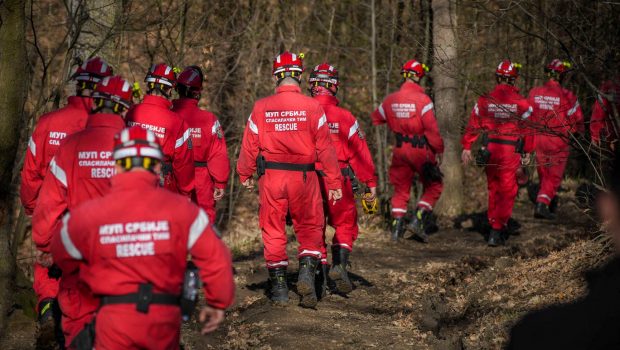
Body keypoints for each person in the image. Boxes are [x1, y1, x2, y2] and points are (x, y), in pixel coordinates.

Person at [50, 126, 235, 350]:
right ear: (157, 166)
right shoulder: (182, 210)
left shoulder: (88, 215)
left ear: (116, 166)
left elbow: (61, 253)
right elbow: (216, 258)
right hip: (163, 320)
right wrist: (217, 302)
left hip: (112, 318)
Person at [236, 52, 342, 308]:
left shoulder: (261, 107)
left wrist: (245, 173)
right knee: (310, 227)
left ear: (276, 76)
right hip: (304, 178)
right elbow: (325, 149)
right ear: (299, 75)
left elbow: (249, 144)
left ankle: (280, 288)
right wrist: (335, 182)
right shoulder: (312, 106)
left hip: (271, 178)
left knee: (272, 229)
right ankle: (306, 272)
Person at [32, 76, 132, 347]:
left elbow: (49, 202)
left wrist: (44, 241)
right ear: (124, 109)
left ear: (95, 103)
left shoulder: (70, 147)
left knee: (77, 324)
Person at [19, 57, 112, 333]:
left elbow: (31, 173)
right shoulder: (109, 131)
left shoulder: (48, 123)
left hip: (53, 215)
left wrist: (34, 209)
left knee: (49, 271)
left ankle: (49, 309)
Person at [507, 151, 620, 350]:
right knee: (554, 174)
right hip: (551, 143)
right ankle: (542, 203)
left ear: (607, 208)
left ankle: (523, 212)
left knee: (541, 175)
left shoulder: (538, 334)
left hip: (536, 142)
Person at [308, 63, 377, 295]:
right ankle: (339, 264)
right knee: (345, 223)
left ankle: (322, 272)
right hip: (340, 177)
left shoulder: (303, 114)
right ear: (334, 87)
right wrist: (371, 183)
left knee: (314, 226)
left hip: (308, 179)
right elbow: (361, 153)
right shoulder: (346, 117)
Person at [461, 60, 533, 246]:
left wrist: (467, 146)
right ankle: (497, 228)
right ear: (513, 80)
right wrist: (527, 151)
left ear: (497, 77)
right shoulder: (521, 102)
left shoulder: (485, 100)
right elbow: (529, 129)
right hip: (510, 151)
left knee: (493, 187)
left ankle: (494, 223)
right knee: (508, 191)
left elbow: (474, 123)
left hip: (490, 149)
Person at [371, 59, 444, 242]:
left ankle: (396, 230)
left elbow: (376, 118)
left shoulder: (391, 100)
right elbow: (431, 130)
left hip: (400, 150)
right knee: (435, 186)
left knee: (401, 189)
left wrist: (396, 122)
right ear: (419, 77)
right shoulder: (423, 100)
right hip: (421, 151)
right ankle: (418, 220)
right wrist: (438, 150)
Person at [126, 63, 194, 197]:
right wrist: (185, 193)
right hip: (160, 190)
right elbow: (184, 165)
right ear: (169, 90)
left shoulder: (129, 112)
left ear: (148, 86)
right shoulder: (177, 122)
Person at [172, 66, 230, 223]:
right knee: (203, 223)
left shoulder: (168, 116)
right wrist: (220, 182)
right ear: (198, 92)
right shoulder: (209, 120)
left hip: (173, 176)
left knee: (173, 222)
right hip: (201, 179)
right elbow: (218, 154)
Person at [527, 59, 584, 219]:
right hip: (557, 141)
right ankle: (542, 203)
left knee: (544, 173)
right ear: (562, 76)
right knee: (554, 175)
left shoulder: (534, 92)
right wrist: (577, 132)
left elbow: (527, 116)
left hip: (539, 139)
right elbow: (577, 119)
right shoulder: (567, 96)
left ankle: (546, 201)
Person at [590, 77, 620, 149]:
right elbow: (599, 112)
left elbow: (598, 113)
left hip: (613, 137)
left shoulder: (609, 86)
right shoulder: (610, 86)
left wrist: (595, 136)